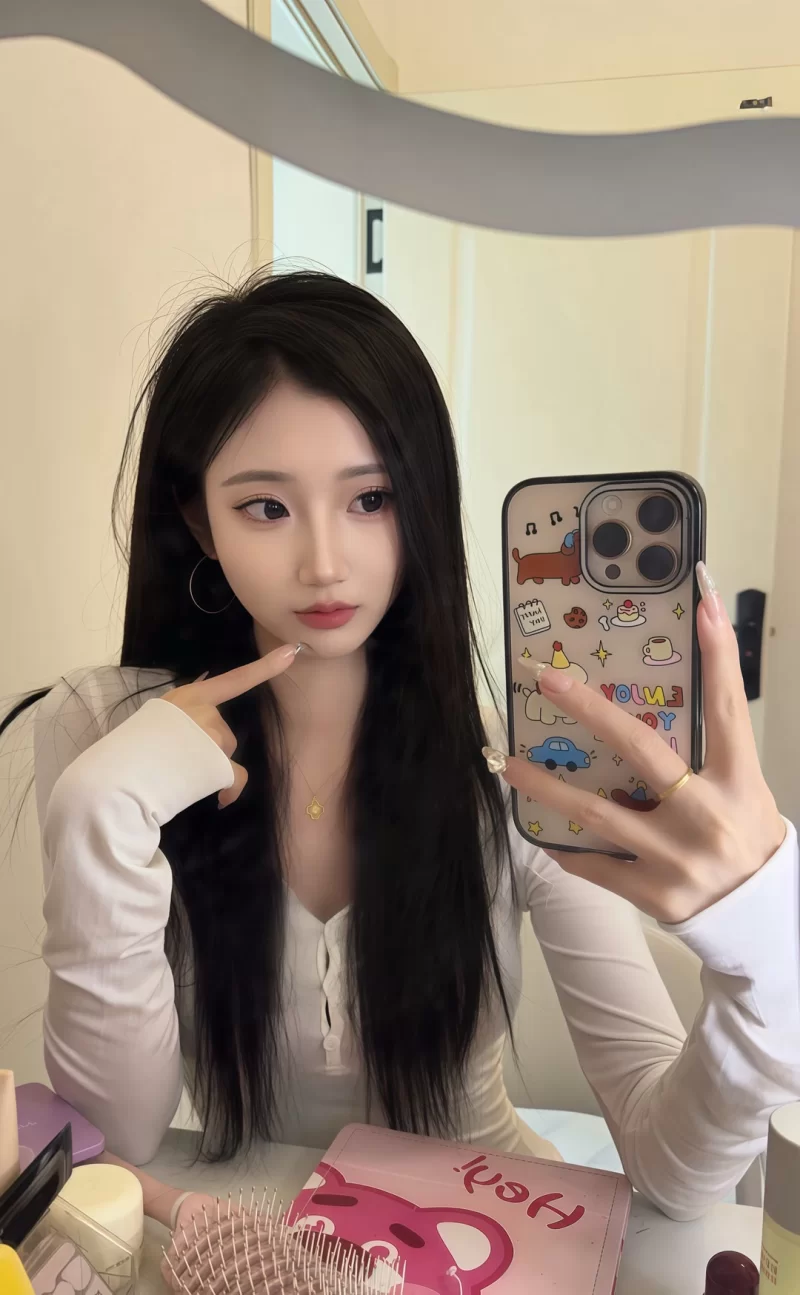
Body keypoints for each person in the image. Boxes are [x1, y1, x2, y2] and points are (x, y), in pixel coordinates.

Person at [2, 271, 798, 1225]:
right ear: (196, 517)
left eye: (371, 497)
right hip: (258, 1251)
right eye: (266, 507)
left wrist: (766, 951)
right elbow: (120, 1138)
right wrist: (101, 812)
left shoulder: (522, 772)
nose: (325, 563)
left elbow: (674, 1172)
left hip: (487, 1239)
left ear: (420, 502)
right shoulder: (110, 733)